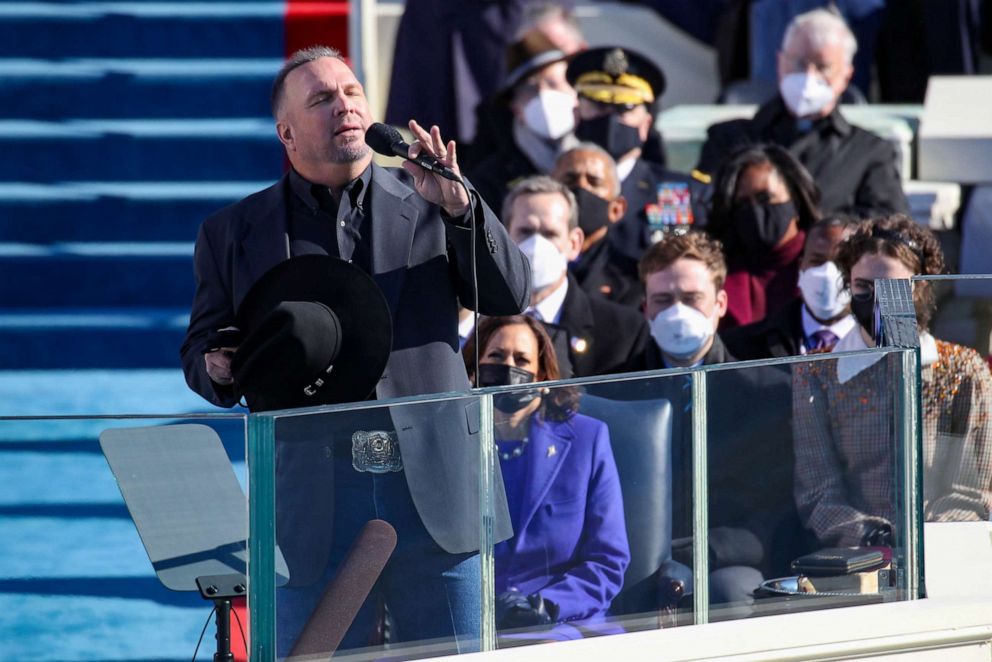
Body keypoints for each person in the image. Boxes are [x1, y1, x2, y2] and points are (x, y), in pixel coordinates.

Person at [179, 46, 531, 654]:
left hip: (436, 499)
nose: (344, 105)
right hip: (314, 507)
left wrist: (460, 205)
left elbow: (509, 294)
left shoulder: (433, 200)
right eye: (322, 99)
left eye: (351, 93)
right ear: (286, 132)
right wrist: (217, 369)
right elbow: (200, 351)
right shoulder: (233, 232)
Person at [626, 231, 805, 616]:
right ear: (645, 309)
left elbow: (774, 509)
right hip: (638, 560)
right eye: (663, 300)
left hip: (730, 562)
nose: (677, 311)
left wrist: (704, 550)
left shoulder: (767, 393)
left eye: (691, 299)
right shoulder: (615, 392)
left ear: (720, 303)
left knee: (726, 594)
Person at [793, 215, 992, 548]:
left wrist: (921, 538)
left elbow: (974, 488)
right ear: (848, 284)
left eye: (894, 286)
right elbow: (818, 493)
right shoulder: (817, 374)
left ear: (920, 286)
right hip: (857, 557)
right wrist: (873, 536)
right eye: (863, 287)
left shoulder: (964, 370)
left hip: (947, 551)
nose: (877, 298)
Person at [464, 314, 629, 636]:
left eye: (522, 359)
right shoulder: (450, 442)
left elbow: (607, 560)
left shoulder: (587, 440)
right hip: (470, 624)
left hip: (562, 622)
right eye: (496, 357)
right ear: (473, 369)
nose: (508, 367)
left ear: (542, 374)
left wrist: (546, 606)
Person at [697, 8, 908, 219]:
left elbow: (889, 223)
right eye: (799, 62)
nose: (808, 75)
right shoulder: (729, 139)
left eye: (822, 66)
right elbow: (702, 207)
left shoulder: (869, 151)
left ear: (846, 75)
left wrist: (824, 229)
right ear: (780, 62)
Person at [565, 46, 709, 274]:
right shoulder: (554, 186)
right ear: (576, 114)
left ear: (646, 124)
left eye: (624, 109)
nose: (610, 119)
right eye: (599, 105)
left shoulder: (674, 192)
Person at [502, 175, 650, 378]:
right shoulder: (476, 323)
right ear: (505, 238)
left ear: (574, 243)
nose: (537, 244)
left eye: (550, 234)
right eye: (525, 232)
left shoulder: (624, 331)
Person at [706, 143, 821, 330]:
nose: (755, 211)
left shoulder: (825, 261)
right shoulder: (715, 270)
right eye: (743, 203)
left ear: (795, 200)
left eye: (765, 198)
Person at [467, 32, 579, 211]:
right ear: (516, 108)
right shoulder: (492, 178)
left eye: (553, 83)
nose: (544, 96)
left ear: (576, 92)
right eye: (530, 88)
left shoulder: (600, 154)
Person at [723, 215, 857, 359]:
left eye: (841, 262)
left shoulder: (879, 341)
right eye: (817, 261)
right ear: (800, 267)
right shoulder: (743, 346)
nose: (828, 272)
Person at [551, 143, 641, 307]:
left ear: (617, 209)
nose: (581, 188)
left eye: (594, 182)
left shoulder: (633, 277)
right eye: (570, 180)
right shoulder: (527, 263)